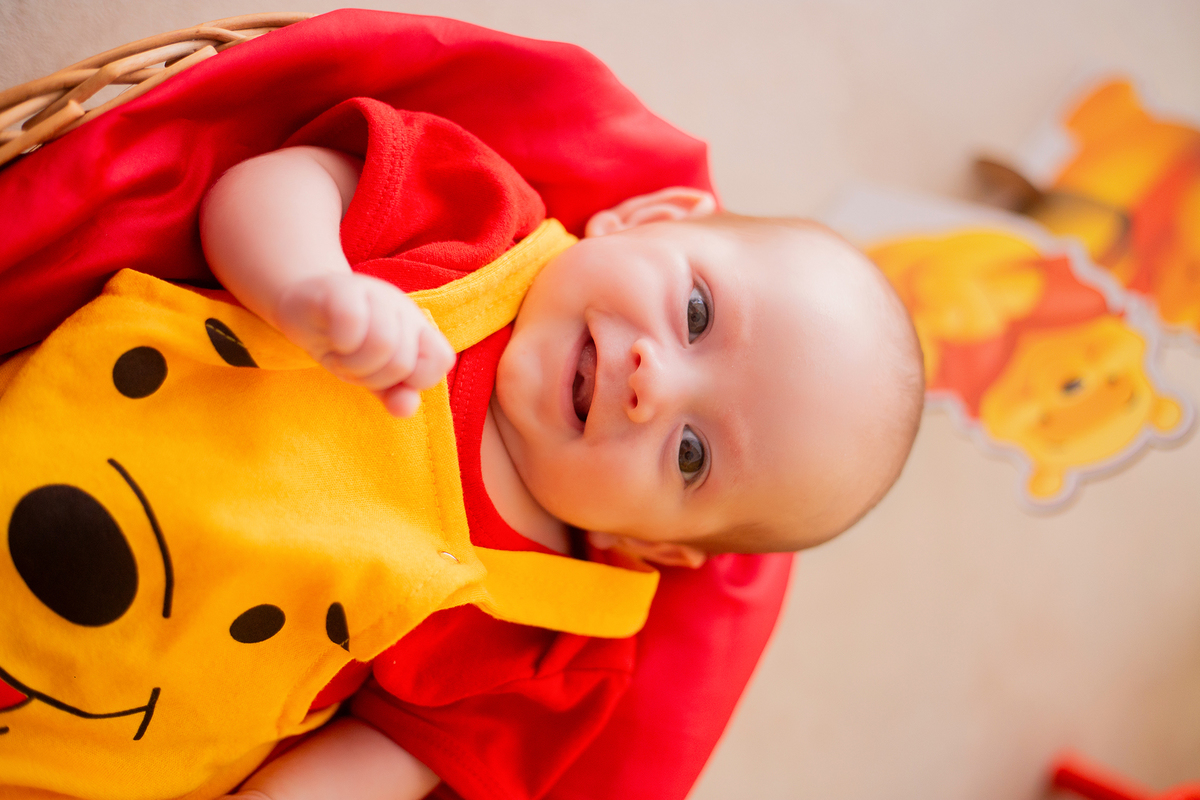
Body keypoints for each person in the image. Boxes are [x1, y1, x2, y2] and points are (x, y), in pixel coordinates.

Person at [195, 97, 925, 800]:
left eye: (691, 454)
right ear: (649, 219)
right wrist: (304, 280)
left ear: (654, 545)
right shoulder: (475, 225)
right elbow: (282, 180)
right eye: (696, 313)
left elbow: (392, 751)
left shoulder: (550, 642)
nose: (655, 383)